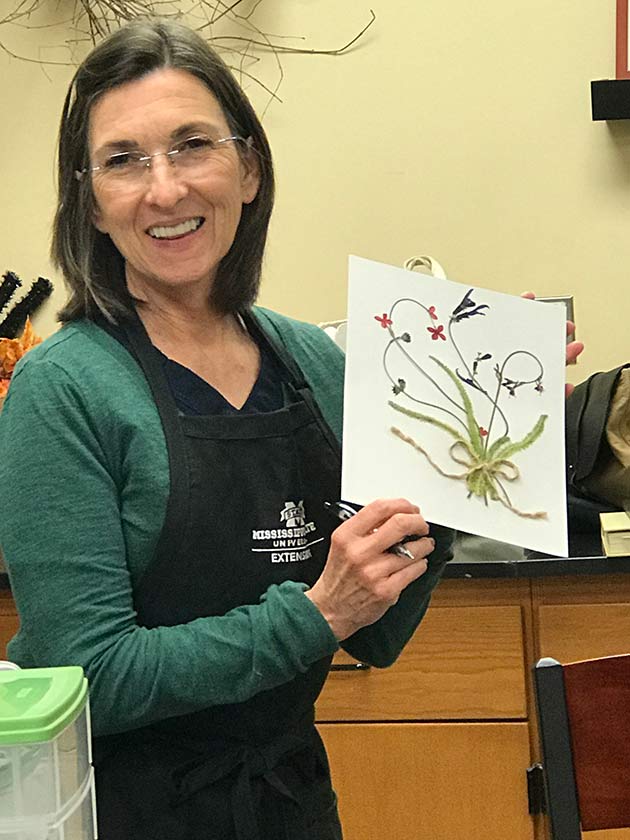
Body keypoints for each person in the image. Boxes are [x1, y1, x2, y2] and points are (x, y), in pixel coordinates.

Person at [0, 19, 583, 840]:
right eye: (124, 159)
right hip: (121, 813)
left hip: (292, 803)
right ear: (90, 203)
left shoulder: (315, 361)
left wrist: (470, 463)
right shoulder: (63, 388)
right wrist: (314, 615)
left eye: (192, 145)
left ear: (248, 169)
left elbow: (374, 633)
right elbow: (86, 674)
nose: (164, 189)